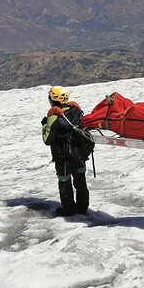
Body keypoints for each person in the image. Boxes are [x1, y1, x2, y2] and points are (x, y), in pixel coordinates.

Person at [41, 86, 90, 216]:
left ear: (52, 99)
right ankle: (82, 209)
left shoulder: (54, 116)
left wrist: (45, 124)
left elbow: (47, 139)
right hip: (79, 155)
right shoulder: (76, 111)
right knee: (81, 183)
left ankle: (68, 211)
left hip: (63, 157)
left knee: (65, 183)